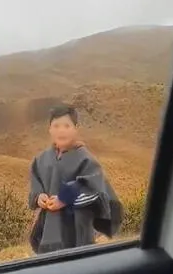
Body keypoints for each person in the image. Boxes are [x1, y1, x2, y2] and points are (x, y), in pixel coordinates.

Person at [28, 105, 123, 254]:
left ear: (76, 128)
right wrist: (39, 196)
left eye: (67, 126)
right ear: (49, 129)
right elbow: (36, 181)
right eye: (56, 126)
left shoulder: (85, 159)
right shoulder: (41, 159)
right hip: (48, 231)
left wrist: (65, 198)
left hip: (77, 233)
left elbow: (95, 188)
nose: (61, 130)